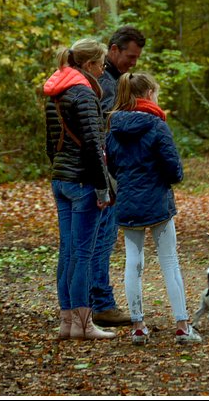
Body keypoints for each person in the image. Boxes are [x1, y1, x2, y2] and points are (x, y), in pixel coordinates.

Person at [106, 71, 201, 345]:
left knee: (133, 262)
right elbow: (172, 166)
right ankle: (182, 326)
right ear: (148, 95)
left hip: (128, 202)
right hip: (158, 201)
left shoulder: (113, 128)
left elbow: (111, 166)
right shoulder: (157, 125)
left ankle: (138, 326)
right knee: (169, 261)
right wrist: (172, 179)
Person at [43, 38, 116, 341]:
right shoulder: (84, 94)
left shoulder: (55, 92)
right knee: (83, 254)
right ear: (88, 65)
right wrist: (103, 188)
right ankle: (84, 324)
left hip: (61, 179)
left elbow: (51, 143)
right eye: (100, 65)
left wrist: (60, 171)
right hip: (83, 182)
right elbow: (92, 146)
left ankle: (67, 322)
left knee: (68, 252)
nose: (102, 71)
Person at [88, 25, 146, 327]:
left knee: (88, 241)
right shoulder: (107, 83)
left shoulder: (100, 79)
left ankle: (85, 304)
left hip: (91, 172)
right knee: (101, 239)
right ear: (113, 50)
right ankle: (102, 304)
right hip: (103, 174)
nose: (133, 63)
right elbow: (108, 132)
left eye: (137, 58)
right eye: (129, 56)